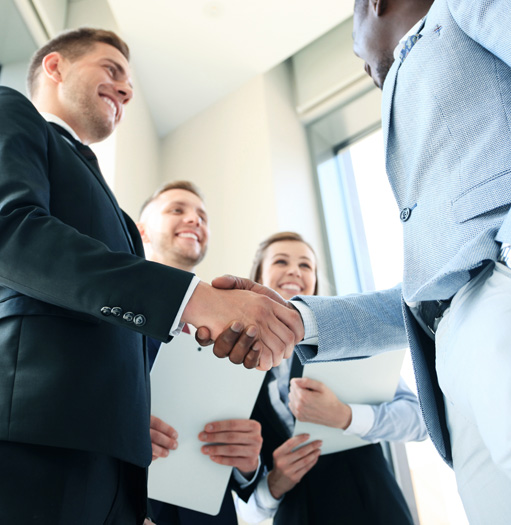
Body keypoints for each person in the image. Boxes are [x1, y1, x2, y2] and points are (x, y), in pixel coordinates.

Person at [202, 0, 511, 521]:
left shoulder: (461, 9)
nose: (362, 64)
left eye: (354, 47)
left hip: (504, 298)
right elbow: (413, 294)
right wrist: (298, 318)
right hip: (450, 347)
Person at [0, 28, 302, 524]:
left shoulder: (117, 218)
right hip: (36, 439)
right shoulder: (11, 112)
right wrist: (193, 299)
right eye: (111, 70)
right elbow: (11, 233)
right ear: (54, 67)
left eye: (130, 85)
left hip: (116, 471)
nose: (124, 89)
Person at [234, 232, 426, 525]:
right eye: (281, 261)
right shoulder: (234, 369)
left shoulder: (349, 340)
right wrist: (274, 483)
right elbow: (243, 512)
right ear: (257, 277)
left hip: (374, 508)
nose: (295, 270)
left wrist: (346, 417)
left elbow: (419, 420)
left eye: (306, 265)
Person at [136, 180, 263, 524]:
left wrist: (248, 462)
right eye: (177, 210)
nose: (194, 220)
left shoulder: (234, 334)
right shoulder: (109, 312)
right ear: (141, 230)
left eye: (202, 217)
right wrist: (119, 431)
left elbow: (246, 464)